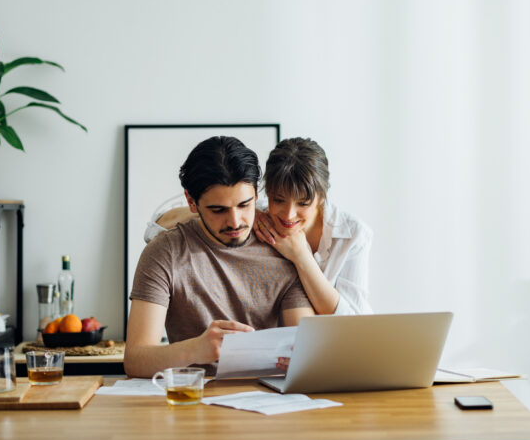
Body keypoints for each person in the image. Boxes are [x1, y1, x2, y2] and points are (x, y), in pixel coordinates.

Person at [124, 136, 313, 378]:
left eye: (244, 205)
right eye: (218, 210)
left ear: (257, 195)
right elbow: (135, 360)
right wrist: (195, 350)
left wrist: (300, 357)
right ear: (191, 202)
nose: (235, 222)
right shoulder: (164, 253)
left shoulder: (285, 249)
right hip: (191, 400)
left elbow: (304, 347)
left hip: (267, 400)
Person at [254, 137, 373, 315]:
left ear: (321, 197)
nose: (288, 214)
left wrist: (302, 256)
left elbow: (353, 319)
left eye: (302, 203)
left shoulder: (354, 234)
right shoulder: (257, 216)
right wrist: (247, 212)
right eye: (278, 200)